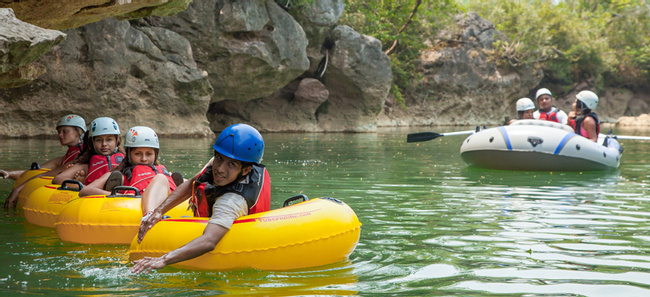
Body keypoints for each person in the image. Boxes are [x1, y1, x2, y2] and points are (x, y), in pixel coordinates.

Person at [131, 123, 271, 274]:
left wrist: (164, 259)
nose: (220, 169)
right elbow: (194, 182)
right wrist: (159, 211)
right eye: (219, 158)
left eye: (231, 164)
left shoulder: (232, 201)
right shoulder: (230, 161)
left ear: (246, 170)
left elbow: (209, 241)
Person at [3, 114, 86, 209]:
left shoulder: (81, 156)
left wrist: (17, 190)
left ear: (78, 132)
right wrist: (9, 174)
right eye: (59, 132)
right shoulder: (65, 157)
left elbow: (44, 175)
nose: (60, 135)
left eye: (65, 131)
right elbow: (36, 172)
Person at [78, 126, 177, 198]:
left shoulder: (161, 170)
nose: (144, 159)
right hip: (132, 207)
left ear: (155, 155)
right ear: (129, 154)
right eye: (137, 154)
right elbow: (85, 191)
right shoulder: (121, 173)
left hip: (162, 205)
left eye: (149, 154)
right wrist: (118, 195)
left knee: (169, 177)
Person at [52, 117, 125, 185]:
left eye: (109, 139)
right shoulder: (86, 164)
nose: (104, 144)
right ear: (92, 143)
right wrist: (84, 188)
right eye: (99, 140)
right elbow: (58, 178)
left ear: (117, 141)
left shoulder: (125, 161)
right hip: (92, 194)